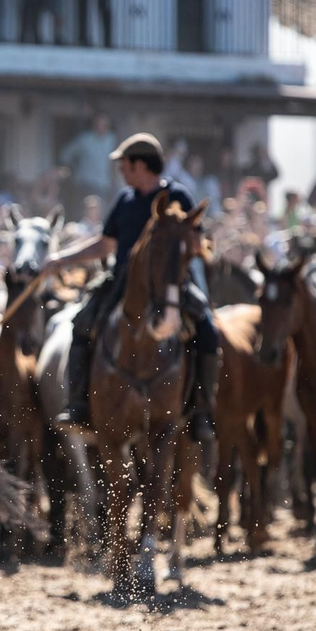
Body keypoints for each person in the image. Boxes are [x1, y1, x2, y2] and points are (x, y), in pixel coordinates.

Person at [41, 133, 219, 441]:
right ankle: (79, 404)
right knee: (81, 325)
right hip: (123, 282)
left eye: (125, 164)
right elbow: (106, 244)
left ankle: (201, 409)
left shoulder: (179, 196)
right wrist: (62, 259)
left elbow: (195, 240)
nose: (121, 170)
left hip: (170, 284)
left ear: (140, 166)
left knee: (208, 331)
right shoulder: (125, 200)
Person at [59, 112, 118, 208]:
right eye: (99, 124)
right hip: (84, 183)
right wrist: (70, 169)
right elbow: (66, 154)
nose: (101, 127)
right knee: (82, 211)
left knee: (100, 213)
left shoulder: (111, 140)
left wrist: (114, 181)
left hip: (103, 185)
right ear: (94, 125)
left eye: (104, 125)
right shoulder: (84, 140)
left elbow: (115, 162)